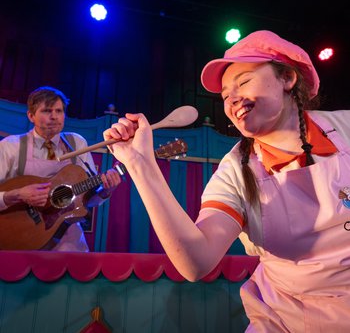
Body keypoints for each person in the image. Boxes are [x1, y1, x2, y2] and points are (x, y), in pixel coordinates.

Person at [102, 30, 350, 332]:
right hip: (287, 320)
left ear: (287, 78)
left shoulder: (345, 127)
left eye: (243, 81)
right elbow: (196, 262)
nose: (232, 99)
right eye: (224, 96)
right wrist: (140, 164)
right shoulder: (234, 171)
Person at [0, 86, 121, 251]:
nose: (54, 117)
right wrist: (17, 194)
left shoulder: (77, 144)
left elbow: (87, 200)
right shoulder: (10, 146)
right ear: (31, 115)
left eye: (59, 111)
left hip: (69, 244)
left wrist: (106, 191)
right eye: (46, 111)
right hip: (20, 238)